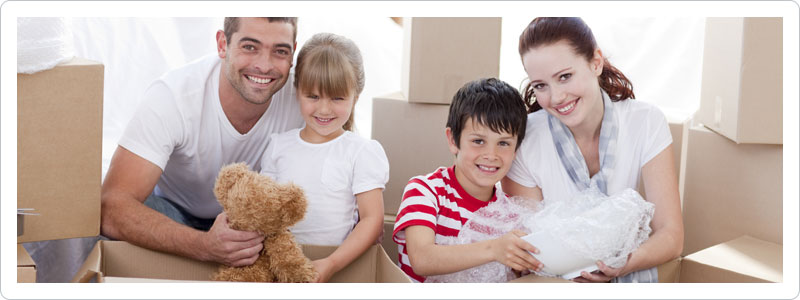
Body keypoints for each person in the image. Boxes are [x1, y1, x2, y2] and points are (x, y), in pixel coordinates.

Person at [100, 17, 304, 267]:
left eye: (279, 51)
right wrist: (204, 246)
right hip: (174, 213)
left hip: (254, 224)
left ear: (293, 53)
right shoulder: (173, 97)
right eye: (250, 47)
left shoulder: (306, 97)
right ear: (222, 44)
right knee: (128, 220)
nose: (264, 65)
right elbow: (111, 207)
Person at [502, 17, 684, 283]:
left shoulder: (645, 122)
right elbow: (531, 252)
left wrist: (622, 264)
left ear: (595, 62)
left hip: (628, 267)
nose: (556, 97)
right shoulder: (525, 139)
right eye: (541, 85)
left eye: (565, 77)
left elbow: (671, 235)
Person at [259, 33, 388, 283]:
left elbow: (372, 219)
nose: (324, 109)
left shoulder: (361, 152)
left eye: (337, 98)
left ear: (355, 97)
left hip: (338, 266)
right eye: (313, 97)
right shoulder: (279, 145)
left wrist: (331, 263)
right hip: (280, 265)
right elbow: (265, 210)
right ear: (297, 92)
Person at [392, 78, 542, 283]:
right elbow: (422, 259)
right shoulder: (425, 191)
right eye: (478, 141)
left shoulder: (512, 214)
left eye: (504, 143)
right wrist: (494, 249)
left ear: (516, 149)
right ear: (453, 140)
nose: (491, 154)